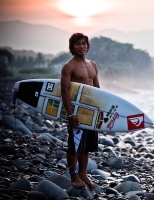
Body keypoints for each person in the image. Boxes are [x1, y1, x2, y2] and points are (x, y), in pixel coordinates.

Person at [61, 33, 100, 190]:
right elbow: (64, 91)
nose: (82, 46)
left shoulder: (93, 65)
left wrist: (100, 111)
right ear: (72, 47)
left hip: (91, 111)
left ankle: (83, 173)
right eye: (78, 44)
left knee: (87, 145)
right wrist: (70, 114)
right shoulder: (68, 66)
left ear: (88, 46)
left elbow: (98, 90)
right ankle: (73, 175)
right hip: (77, 111)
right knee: (75, 145)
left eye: (84, 43)